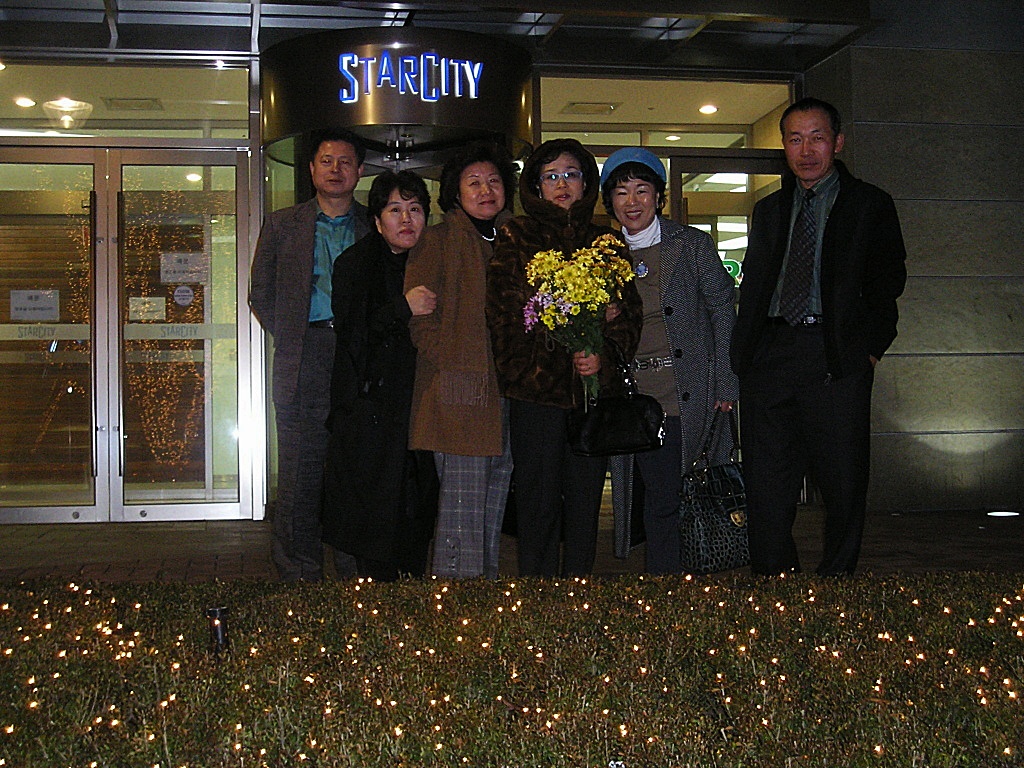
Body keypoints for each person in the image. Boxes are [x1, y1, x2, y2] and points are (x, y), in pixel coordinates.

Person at [731, 97, 907, 576]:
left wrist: (868, 353)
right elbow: (756, 283)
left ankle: (836, 582)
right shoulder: (769, 209)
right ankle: (775, 581)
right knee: (767, 482)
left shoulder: (869, 204)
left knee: (843, 481)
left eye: (817, 138)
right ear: (783, 146)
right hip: (770, 354)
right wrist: (744, 353)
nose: (806, 150)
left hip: (834, 354)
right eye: (795, 139)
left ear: (838, 142)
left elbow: (888, 284)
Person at [488, 138, 642, 577]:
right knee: (536, 504)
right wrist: (551, 347)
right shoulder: (516, 235)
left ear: (586, 183)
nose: (561, 184)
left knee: (585, 503)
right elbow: (504, 317)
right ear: (536, 185)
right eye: (551, 176)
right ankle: (537, 596)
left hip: (590, 398)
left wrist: (602, 356)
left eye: (571, 174)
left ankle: (578, 592)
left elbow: (629, 315)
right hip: (535, 395)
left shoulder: (607, 242)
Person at [599, 147, 739, 575]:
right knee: (650, 495)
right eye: (621, 192)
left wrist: (727, 383)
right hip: (631, 398)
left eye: (642, 190)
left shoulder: (691, 244)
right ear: (609, 201)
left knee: (671, 495)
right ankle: (667, 580)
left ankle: (671, 583)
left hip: (685, 391)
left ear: (659, 197)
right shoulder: (600, 254)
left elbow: (722, 310)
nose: (632, 201)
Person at [249, 128, 370, 581]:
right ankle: (298, 571)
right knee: (300, 471)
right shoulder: (283, 225)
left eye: (345, 161)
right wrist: (294, 335)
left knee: (355, 468)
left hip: (359, 357)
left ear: (360, 171)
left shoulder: (374, 223)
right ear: (312, 169)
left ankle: (355, 567)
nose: (336, 169)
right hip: (305, 354)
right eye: (326, 161)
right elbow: (261, 293)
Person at [404, 141, 518, 579]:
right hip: (459, 397)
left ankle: (483, 594)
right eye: (474, 183)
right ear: (455, 191)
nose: (486, 190)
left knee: (492, 505)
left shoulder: (514, 239)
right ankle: (455, 600)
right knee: (461, 511)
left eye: (493, 181)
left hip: (506, 393)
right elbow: (421, 322)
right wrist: (454, 364)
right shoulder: (438, 240)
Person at [322, 170, 438, 581]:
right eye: (395, 210)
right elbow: (353, 335)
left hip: (421, 405)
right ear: (376, 220)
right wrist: (402, 308)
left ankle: (409, 594)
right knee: (372, 517)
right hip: (369, 408)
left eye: (415, 209)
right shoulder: (354, 264)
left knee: (417, 509)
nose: (406, 219)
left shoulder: (433, 262)